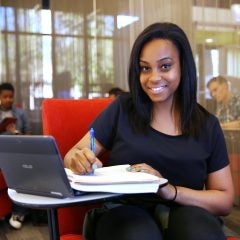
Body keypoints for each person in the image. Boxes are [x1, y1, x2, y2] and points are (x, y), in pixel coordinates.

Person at [64, 22, 234, 240]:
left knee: (198, 233)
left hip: (185, 211)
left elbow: (224, 200)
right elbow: (73, 154)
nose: (153, 78)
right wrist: (78, 159)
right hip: (123, 213)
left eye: (165, 66)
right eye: (145, 68)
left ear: (184, 66)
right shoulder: (123, 108)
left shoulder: (207, 124)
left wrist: (168, 189)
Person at [0, 82, 31, 229]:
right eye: (5, 96)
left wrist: (15, 132)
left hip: (18, 150)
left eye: (10, 97)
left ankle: (19, 212)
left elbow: (29, 136)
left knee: (23, 167)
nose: (8, 99)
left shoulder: (21, 113)